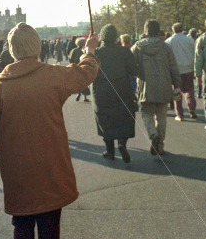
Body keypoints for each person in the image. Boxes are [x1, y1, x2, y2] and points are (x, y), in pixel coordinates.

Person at [0, 23, 99, 239]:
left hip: (16, 169)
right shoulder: (52, 76)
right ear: (38, 47)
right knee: (49, 232)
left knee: (21, 228)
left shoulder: (0, 85)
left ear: (11, 50)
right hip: (50, 166)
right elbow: (85, 73)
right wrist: (89, 50)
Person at [132, 19, 181, 156]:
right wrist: (177, 84)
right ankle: (160, 145)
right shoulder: (165, 47)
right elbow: (173, 67)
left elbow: (131, 66)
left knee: (146, 113)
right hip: (164, 86)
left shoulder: (137, 47)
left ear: (145, 30)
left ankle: (153, 135)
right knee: (161, 116)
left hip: (145, 87)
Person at [92, 24, 138, 162]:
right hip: (122, 88)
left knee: (105, 118)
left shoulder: (96, 53)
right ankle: (122, 143)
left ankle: (110, 151)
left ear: (102, 37)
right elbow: (133, 71)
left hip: (101, 91)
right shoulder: (124, 52)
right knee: (123, 117)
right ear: (115, 37)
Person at [166, 23, 198, 121]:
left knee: (176, 92)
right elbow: (195, 53)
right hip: (188, 68)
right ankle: (191, 107)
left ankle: (180, 114)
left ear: (173, 30)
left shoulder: (169, 41)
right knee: (189, 90)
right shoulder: (190, 40)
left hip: (175, 70)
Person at [68, 38, 91, 102]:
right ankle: (85, 97)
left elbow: (70, 58)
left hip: (76, 67)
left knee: (78, 80)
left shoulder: (74, 50)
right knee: (85, 81)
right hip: (84, 67)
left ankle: (79, 93)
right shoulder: (85, 50)